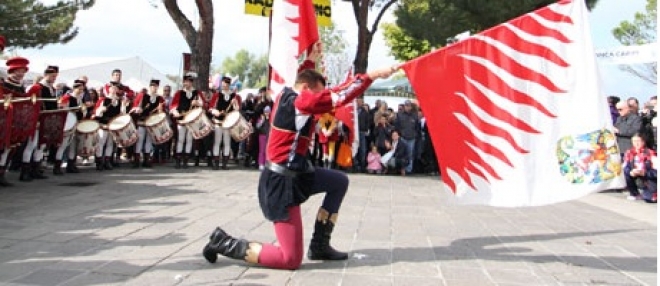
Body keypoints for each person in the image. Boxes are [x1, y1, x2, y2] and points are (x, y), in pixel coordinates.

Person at [202, 58, 397, 269]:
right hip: (281, 182)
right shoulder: (298, 102)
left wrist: (313, 59)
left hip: (298, 173)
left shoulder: (288, 95)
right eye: (317, 93)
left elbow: (332, 91)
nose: (320, 100)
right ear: (305, 88)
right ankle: (224, 242)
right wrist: (374, 75)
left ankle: (320, 245)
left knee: (339, 182)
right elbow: (338, 97)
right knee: (290, 259)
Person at [170, 73, 205, 168]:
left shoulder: (197, 93)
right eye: (186, 81)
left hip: (192, 119)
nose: (187, 83)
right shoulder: (179, 93)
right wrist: (175, 112)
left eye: (189, 81)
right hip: (181, 118)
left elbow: (204, 104)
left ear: (191, 82)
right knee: (180, 139)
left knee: (189, 139)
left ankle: (185, 160)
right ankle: (178, 160)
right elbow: (173, 106)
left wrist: (197, 102)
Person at [53, 79, 86, 175]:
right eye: (79, 89)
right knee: (63, 145)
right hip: (68, 123)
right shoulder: (67, 97)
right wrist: (70, 110)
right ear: (74, 89)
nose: (80, 91)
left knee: (73, 145)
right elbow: (61, 108)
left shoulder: (79, 99)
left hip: (76, 123)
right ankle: (57, 166)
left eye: (82, 89)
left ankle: (71, 165)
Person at [208, 77, 239, 169]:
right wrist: (216, 112)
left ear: (229, 85)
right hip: (218, 121)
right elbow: (210, 107)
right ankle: (216, 162)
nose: (224, 85)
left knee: (227, 142)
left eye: (226, 84)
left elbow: (237, 110)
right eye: (223, 83)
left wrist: (235, 103)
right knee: (217, 142)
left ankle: (224, 163)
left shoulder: (233, 96)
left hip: (228, 122)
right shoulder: (217, 95)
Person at [622, 133, 657, 202]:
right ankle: (635, 193)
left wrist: (645, 173)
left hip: (649, 177)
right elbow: (625, 166)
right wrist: (630, 172)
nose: (636, 143)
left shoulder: (651, 153)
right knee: (626, 171)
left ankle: (651, 192)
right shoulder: (630, 153)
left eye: (638, 141)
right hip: (638, 174)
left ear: (643, 142)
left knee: (649, 199)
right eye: (634, 141)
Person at [255, 105, 271, 170]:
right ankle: (261, 163)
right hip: (262, 135)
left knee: (268, 150)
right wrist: (262, 120)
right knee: (262, 150)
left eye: (268, 111)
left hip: (269, 136)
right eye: (266, 111)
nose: (267, 113)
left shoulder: (271, 119)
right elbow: (257, 126)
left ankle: (267, 163)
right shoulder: (261, 118)